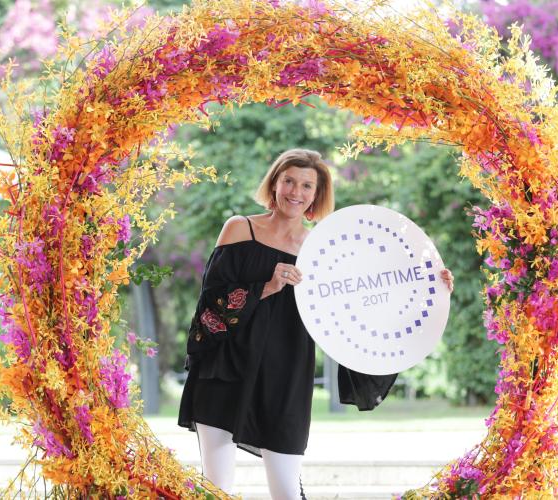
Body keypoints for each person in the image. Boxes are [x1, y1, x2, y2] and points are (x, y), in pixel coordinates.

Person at [178, 148, 454, 499]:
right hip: (225, 372)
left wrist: (430, 283)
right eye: (289, 181)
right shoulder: (238, 228)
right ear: (274, 183)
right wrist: (266, 286)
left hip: (285, 377)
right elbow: (208, 308)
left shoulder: (322, 249)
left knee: (288, 492)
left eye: (307, 185)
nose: (296, 191)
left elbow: (367, 302)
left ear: (317, 194)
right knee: (216, 490)